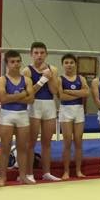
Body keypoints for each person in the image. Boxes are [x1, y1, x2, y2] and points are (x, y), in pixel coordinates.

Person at [0, 50, 35, 186]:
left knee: (22, 147)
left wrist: (13, 97)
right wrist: (22, 94)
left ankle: (23, 176)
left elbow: (31, 100)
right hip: (7, 115)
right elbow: (3, 99)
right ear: (7, 64)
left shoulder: (27, 80)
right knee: (5, 147)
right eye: (12, 62)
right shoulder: (2, 80)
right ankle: (2, 177)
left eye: (18, 61)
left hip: (22, 115)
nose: (16, 64)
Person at [27, 42, 61, 181]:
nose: (39, 56)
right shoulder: (27, 71)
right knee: (31, 142)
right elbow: (29, 93)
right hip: (34, 105)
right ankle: (29, 173)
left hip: (49, 105)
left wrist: (50, 76)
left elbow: (54, 91)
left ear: (46, 54)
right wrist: (42, 79)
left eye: (42, 53)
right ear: (31, 54)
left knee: (47, 142)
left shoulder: (53, 69)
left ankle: (46, 172)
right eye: (36, 53)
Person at [57, 53, 88, 180]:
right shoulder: (60, 79)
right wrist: (79, 94)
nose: (69, 65)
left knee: (78, 141)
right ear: (63, 65)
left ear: (75, 64)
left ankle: (79, 170)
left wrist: (69, 91)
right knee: (67, 142)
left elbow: (87, 93)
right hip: (65, 110)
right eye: (66, 63)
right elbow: (61, 97)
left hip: (78, 110)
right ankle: (66, 171)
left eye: (71, 62)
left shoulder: (81, 78)